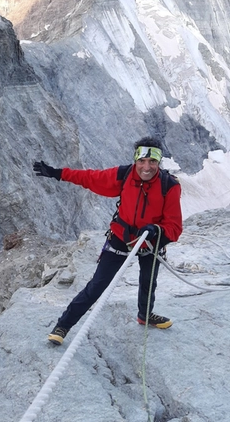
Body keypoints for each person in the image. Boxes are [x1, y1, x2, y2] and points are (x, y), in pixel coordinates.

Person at [33, 137, 183, 345]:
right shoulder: (124, 175)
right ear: (135, 160)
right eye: (142, 161)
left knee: (148, 283)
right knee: (97, 285)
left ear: (159, 162)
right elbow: (91, 177)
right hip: (121, 239)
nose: (146, 167)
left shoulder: (169, 186)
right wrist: (59, 174)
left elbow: (174, 227)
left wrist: (156, 230)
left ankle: (145, 315)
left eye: (152, 162)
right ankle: (63, 325)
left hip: (151, 242)